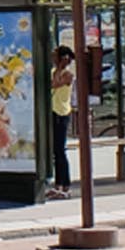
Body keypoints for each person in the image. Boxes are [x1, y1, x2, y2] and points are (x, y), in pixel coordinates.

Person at [48, 46, 76, 199]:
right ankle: (57, 185)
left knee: (60, 150)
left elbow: (55, 84)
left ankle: (65, 185)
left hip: (61, 113)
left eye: (55, 56)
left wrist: (60, 67)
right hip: (52, 112)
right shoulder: (53, 72)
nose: (52, 59)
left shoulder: (69, 75)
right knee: (54, 151)